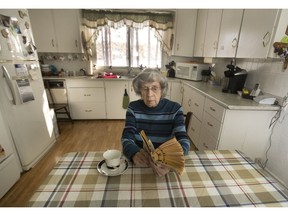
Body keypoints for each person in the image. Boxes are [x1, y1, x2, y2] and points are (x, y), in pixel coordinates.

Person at [121, 68, 191, 176]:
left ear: (162, 90)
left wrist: (171, 162)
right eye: (145, 89)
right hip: (141, 162)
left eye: (155, 88)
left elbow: (184, 141)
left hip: (165, 162)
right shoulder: (133, 108)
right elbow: (126, 137)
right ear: (139, 91)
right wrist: (134, 153)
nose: (149, 94)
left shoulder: (175, 109)